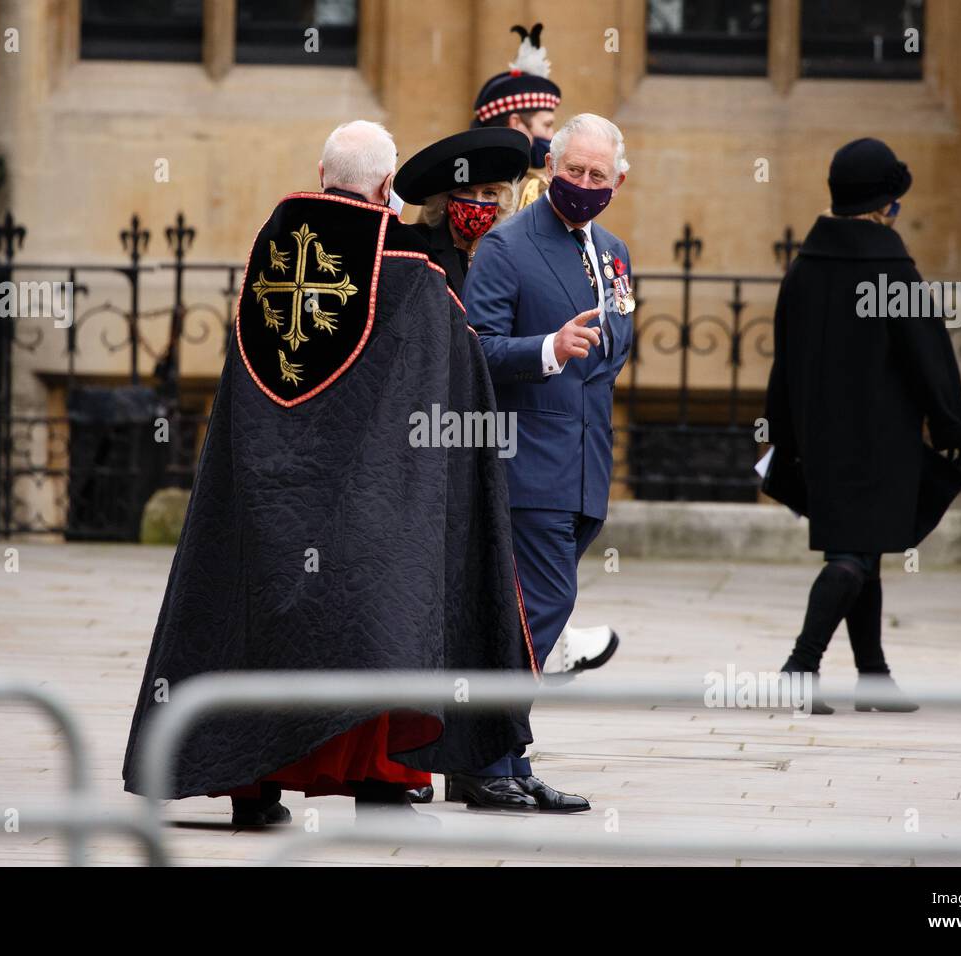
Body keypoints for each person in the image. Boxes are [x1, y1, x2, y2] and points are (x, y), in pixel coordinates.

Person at [121, 120, 537, 825]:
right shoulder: (412, 274)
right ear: (385, 187)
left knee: (256, 620)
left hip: (263, 494)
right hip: (367, 501)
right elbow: (451, 385)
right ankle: (378, 783)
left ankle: (252, 793)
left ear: (321, 174)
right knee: (375, 617)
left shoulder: (267, 260)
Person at [455, 113, 635, 812]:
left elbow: (616, 339)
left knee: (535, 611)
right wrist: (548, 349)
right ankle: (482, 757)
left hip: (587, 463)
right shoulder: (507, 247)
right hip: (529, 463)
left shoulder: (614, 250)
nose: (585, 185)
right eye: (573, 172)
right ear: (550, 169)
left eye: (598, 176)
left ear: (618, 178)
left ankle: (506, 754)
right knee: (541, 607)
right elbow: (476, 347)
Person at [763, 137, 961, 714]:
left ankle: (874, 676)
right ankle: (799, 668)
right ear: (883, 207)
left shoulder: (802, 271)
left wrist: (781, 439)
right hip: (882, 442)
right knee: (852, 558)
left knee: (863, 548)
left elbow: (782, 365)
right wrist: (953, 428)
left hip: (819, 440)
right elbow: (931, 362)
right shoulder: (891, 271)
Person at [394, 127, 530, 295]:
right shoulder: (417, 246)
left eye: (489, 193)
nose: (477, 202)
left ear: (502, 202)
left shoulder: (510, 253)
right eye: (466, 190)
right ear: (444, 198)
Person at [473, 23, 561, 210]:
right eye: (547, 125)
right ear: (516, 123)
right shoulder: (537, 193)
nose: (552, 135)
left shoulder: (456, 180)